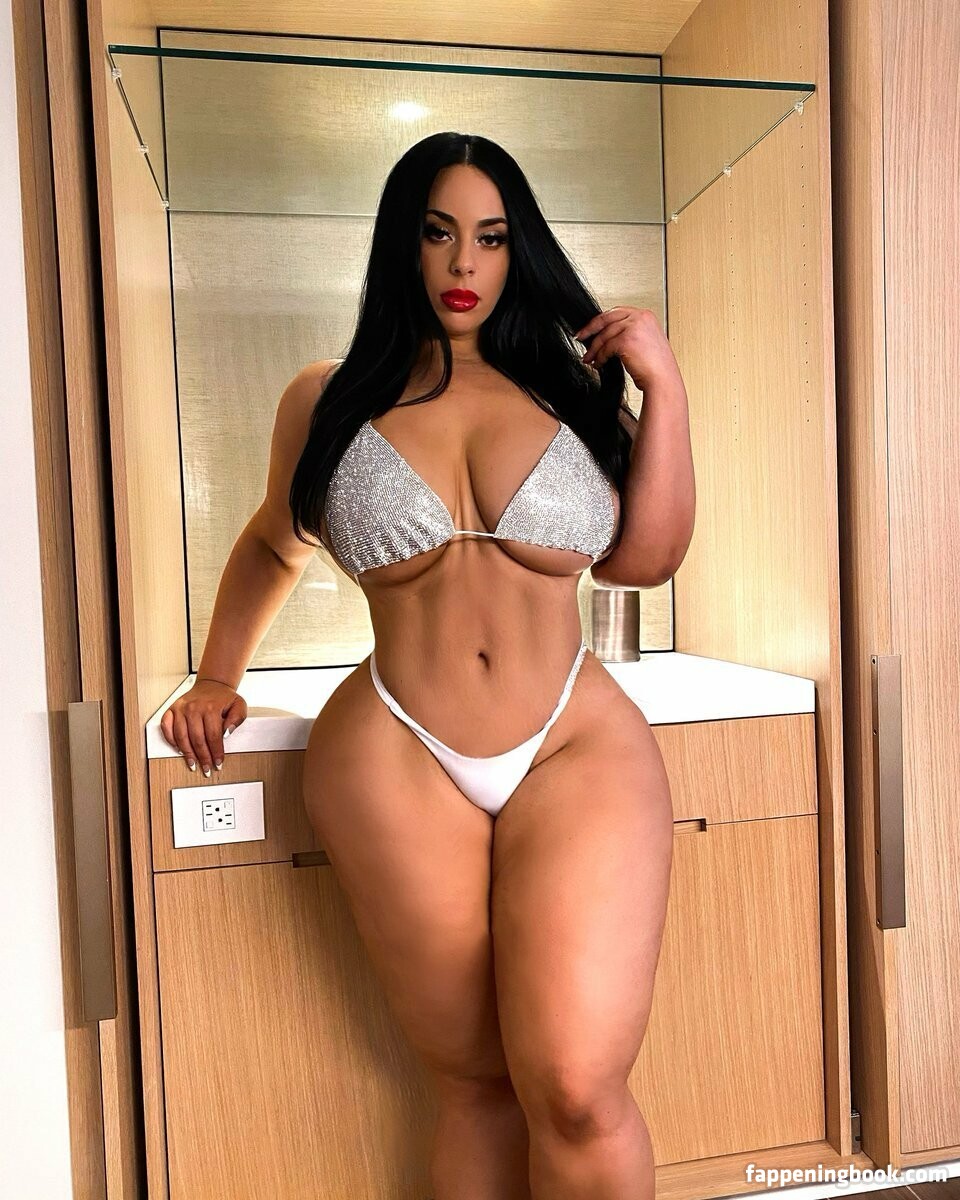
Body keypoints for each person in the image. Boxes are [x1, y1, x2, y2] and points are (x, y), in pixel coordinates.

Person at [161, 131, 695, 1200]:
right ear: (400, 244)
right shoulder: (327, 398)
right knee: (475, 1083)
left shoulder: (573, 391)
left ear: (517, 251)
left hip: (572, 741)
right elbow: (274, 541)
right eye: (439, 233)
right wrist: (218, 675)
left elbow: (645, 560)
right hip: (395, 751)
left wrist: (666, 387)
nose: (463, 264)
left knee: (579, 1087)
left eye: (491, 238)